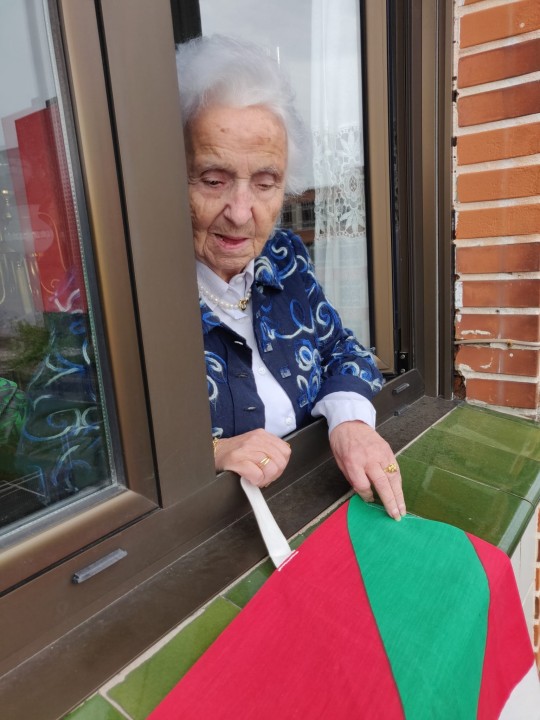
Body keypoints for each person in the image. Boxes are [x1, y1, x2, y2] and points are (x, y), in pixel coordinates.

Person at [176, 35, 406, 521]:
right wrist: (208, 454)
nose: (242, 212)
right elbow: (66, 451)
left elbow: (342, 348)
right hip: (209, 543)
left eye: (265, 183)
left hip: (313, 507)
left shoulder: (283, 256)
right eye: (213, 180)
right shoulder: (128, 288)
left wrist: (350, 420)